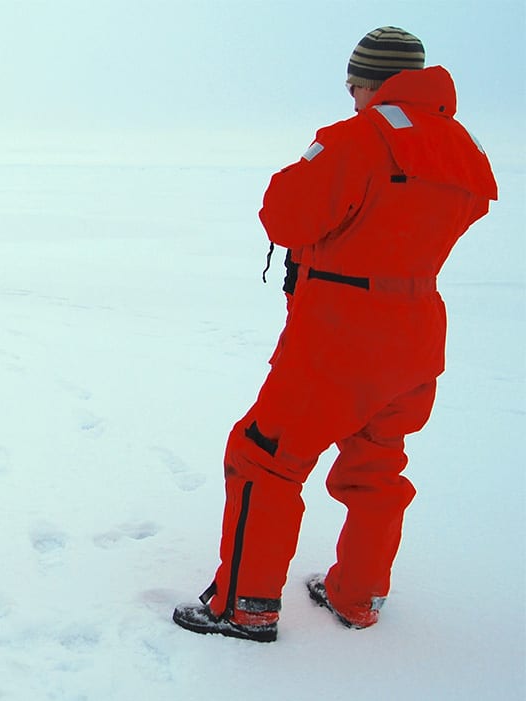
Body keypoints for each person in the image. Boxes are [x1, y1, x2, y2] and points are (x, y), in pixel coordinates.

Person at [173, 26, 497, 643]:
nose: (351, 97)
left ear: (371, 81)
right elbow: (460, 210)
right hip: (417, 336)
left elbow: (285, 215)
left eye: (353, 85)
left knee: (262, 459)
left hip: (340, 337)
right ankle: (359, 596)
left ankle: (245, 606)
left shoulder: (355, 139)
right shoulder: (466, 150)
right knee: (376, 468)